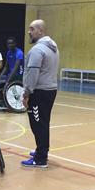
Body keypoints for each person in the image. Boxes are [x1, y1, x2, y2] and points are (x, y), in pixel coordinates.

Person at [20, 20, 59, 168]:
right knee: (43, 122)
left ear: (41, 31)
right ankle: (41, 150)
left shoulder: (38, 50)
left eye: (32, 29)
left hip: (39, 92)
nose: (29, 31)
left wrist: (27, 93)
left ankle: (41, 158)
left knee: (38, 125)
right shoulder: (53, 47)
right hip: (50, 90)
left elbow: (33, 73)